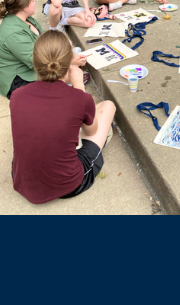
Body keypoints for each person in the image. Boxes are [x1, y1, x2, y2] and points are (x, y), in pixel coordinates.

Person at [11, 30, 116, 204]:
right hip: (68, 184)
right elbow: (92, 131)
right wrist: (78, 85)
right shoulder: (80, 98)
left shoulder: (17, 95)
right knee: (108, 106)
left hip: (21, 179)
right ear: (69, 64)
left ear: (35, 63)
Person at [0, 0, 45, 98]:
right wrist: (68, 62)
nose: (35, 2)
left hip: (34, 63)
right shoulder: (13, 33)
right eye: (33, 0)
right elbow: (37, 62)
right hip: (19, 79)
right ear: (24, 6)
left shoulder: (28, 19)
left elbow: (47, 39)